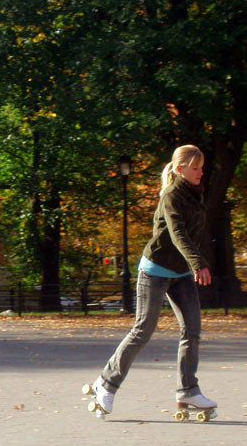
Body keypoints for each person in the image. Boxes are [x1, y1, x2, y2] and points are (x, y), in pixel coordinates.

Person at [88, 145, 217, 417]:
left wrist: (191, 263)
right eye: (195, 167)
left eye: (201, 166)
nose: (200, 172)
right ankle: (106, 384)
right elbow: (178, 234)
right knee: (143, 330)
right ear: (180, 169)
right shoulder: (171, 196)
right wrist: (199, 263)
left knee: (192, 330)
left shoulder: (196, 194)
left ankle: (188, 391)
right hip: (155, 270)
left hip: (180, 273)